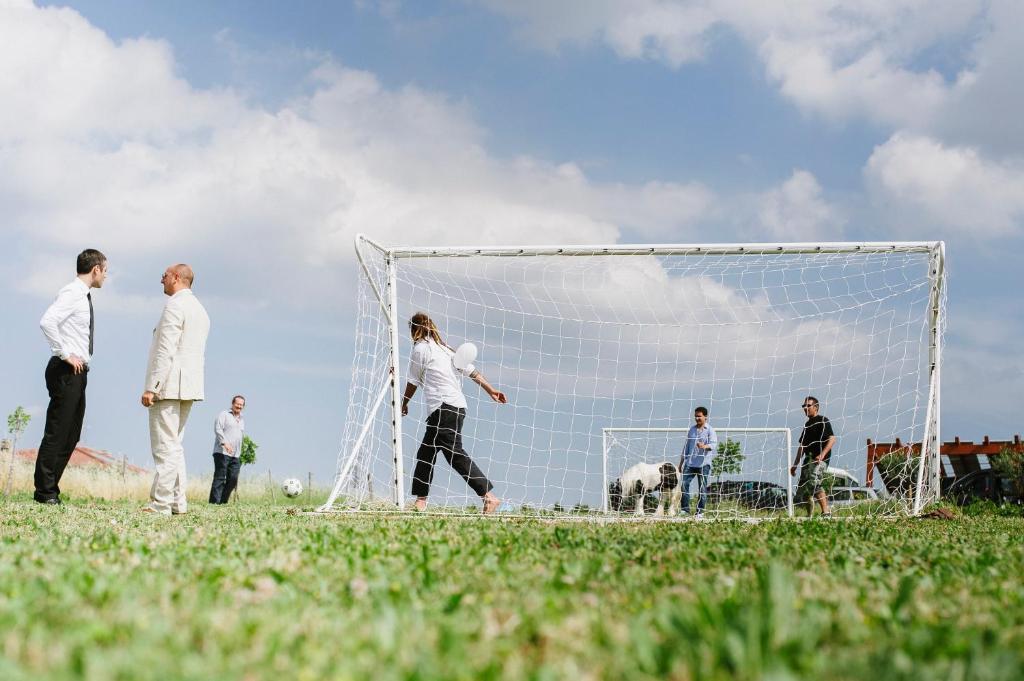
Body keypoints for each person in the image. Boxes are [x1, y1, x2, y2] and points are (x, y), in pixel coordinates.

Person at [401, 312, 505, 514]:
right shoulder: (446, 349)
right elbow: (472, 371)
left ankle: (489, 497)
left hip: (443, 408)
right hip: (456, 408)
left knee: (454, 454)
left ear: (415, 330)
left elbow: (413, 381)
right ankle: (420, 502)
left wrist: (404, 403)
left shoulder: (421, 349)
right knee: (426, 453)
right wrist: (491, 389)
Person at [34, 249, 107, 505]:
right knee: (57, 431)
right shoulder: (73, 292)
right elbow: (47, 321)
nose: (105, 277)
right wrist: (65, 354)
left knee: (72, 433)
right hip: (66, 369)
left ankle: (50, 487)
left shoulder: (82, 295)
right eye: (105, 270)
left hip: (78, 371)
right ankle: (45, 492)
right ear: (95, 269)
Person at [140, 264, 210, 515]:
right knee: (175, 446)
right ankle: (177, 502)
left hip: (168, 386)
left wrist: (153, 387)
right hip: (189, 387)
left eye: (165, 275)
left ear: (177, 278)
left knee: (165, 448)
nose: (161, 280)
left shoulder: (175, 306)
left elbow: (165, 350)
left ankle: (160, 503)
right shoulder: (200, 310)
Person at [790, 396, 836, 517]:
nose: (805, 408)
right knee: (804, 489)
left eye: (808, 405)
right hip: (808, 460)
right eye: (803, 406)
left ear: (816, 407)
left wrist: (822, 455)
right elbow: (802, 446)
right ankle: (809, 515)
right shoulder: (806, 425)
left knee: (814, 484)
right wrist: (795, 465)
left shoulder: (823, 420)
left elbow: (832, 439)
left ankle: (826, 512)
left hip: (820, 460)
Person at [678, 406, 718, 519]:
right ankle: (685, 510)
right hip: (689, 464)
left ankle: (700, 512)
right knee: (684, 485)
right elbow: (686, 447)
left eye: (699, 416)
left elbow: (713, 445)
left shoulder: (710, 430)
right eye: (695, 416)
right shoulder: (692, 430)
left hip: (703, 465)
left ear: (705, 417)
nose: (697, 418)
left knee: (702, 488)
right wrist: (681, 463)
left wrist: (704, 446)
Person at [209, 395, 246, 504]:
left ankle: (223, 501)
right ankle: (214, 502)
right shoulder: (224, 415)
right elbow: (218, 429)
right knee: (220, 477)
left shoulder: (242, 419)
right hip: (222, 452)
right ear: (232, 404)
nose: (239, 406)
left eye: (241, 404)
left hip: (236, 454)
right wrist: (224, 443)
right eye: (237, 404)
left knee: (233, 479)